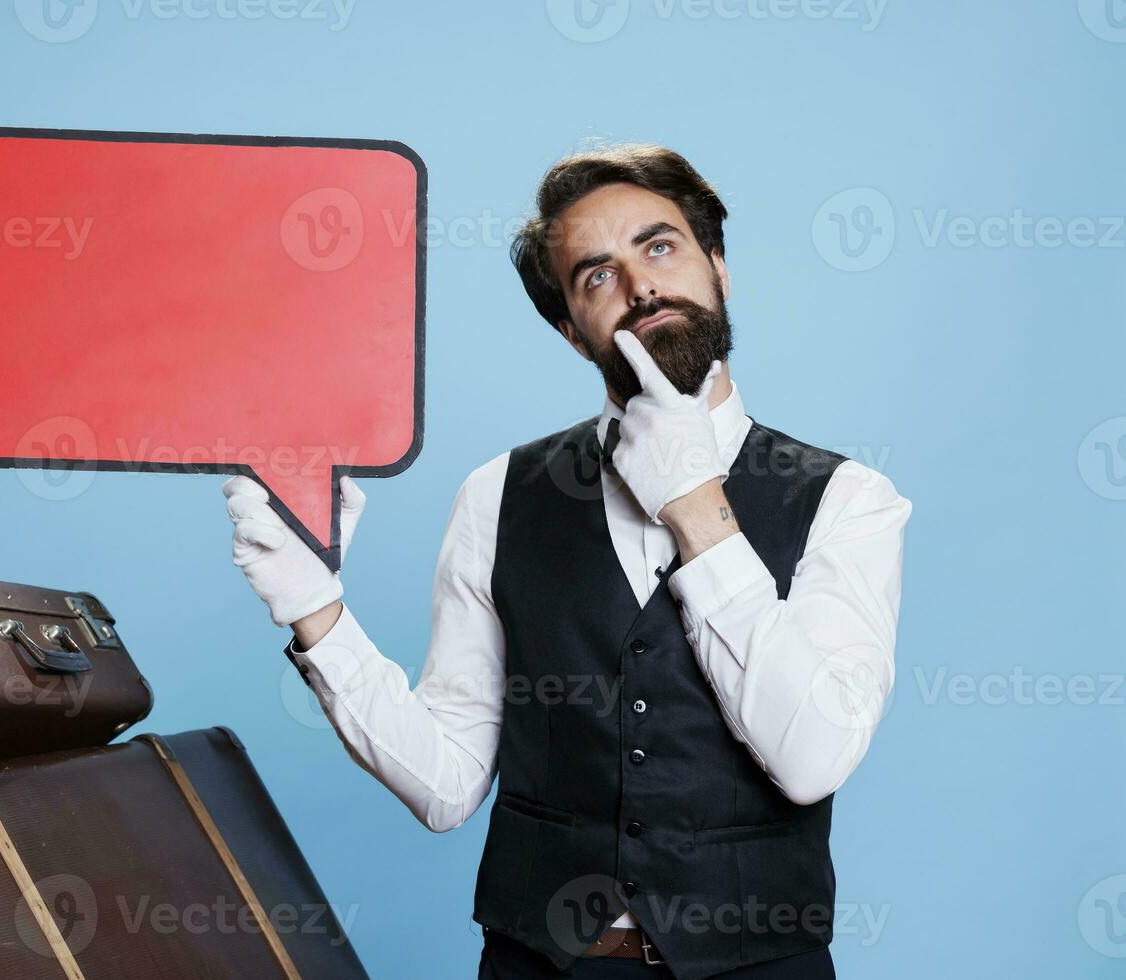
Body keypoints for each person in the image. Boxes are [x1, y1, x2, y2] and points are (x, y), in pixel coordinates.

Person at [222, 144, 911, 979]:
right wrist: (316, 613)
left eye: (660, 247)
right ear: (570, 331)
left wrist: (695, 503)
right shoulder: (497, 496)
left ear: (719, 268)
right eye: (597, 275)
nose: (640, 286)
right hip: (542, 964)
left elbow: (812, 760)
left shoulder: (848, 498)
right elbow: (446, 784)